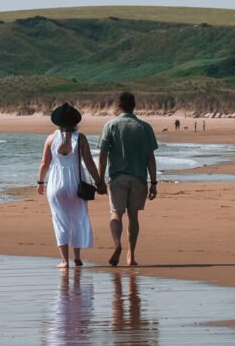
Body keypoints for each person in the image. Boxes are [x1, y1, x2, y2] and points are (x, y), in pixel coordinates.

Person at [38, 103, 105, 268]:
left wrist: (40, 182)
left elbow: (45, 163)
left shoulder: (50, 139)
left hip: (56, 183)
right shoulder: (80, 138)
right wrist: (98, 182)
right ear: (75, 122)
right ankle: (77, 257)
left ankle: (63, 260)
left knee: (59, 219)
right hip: (76, 183)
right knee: (77, 218)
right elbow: (89, 162)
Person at [97, 91, 159, 267]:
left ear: (118, 106)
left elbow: (103, 154)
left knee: (116, 213)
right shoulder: (144, 127)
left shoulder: (111, 125)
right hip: (139, 177)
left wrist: (100, 179)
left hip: (117, 177)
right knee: (133, 216)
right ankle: (131, 256)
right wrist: (153, 183)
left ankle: (117, 244)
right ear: (134, 106)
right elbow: (150, 157)